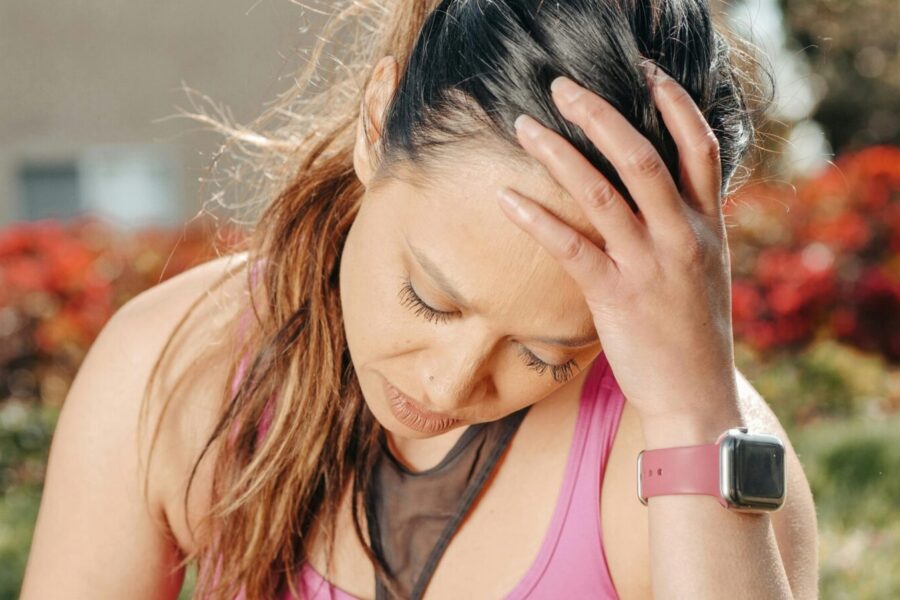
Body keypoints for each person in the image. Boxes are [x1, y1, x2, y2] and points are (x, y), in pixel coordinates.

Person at [20, 0, 819, 599]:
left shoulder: (697, 454)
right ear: (376, 123)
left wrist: (692, 409)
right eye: (429, 298)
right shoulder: (173, 366)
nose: (447, 384)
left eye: (548, 355)